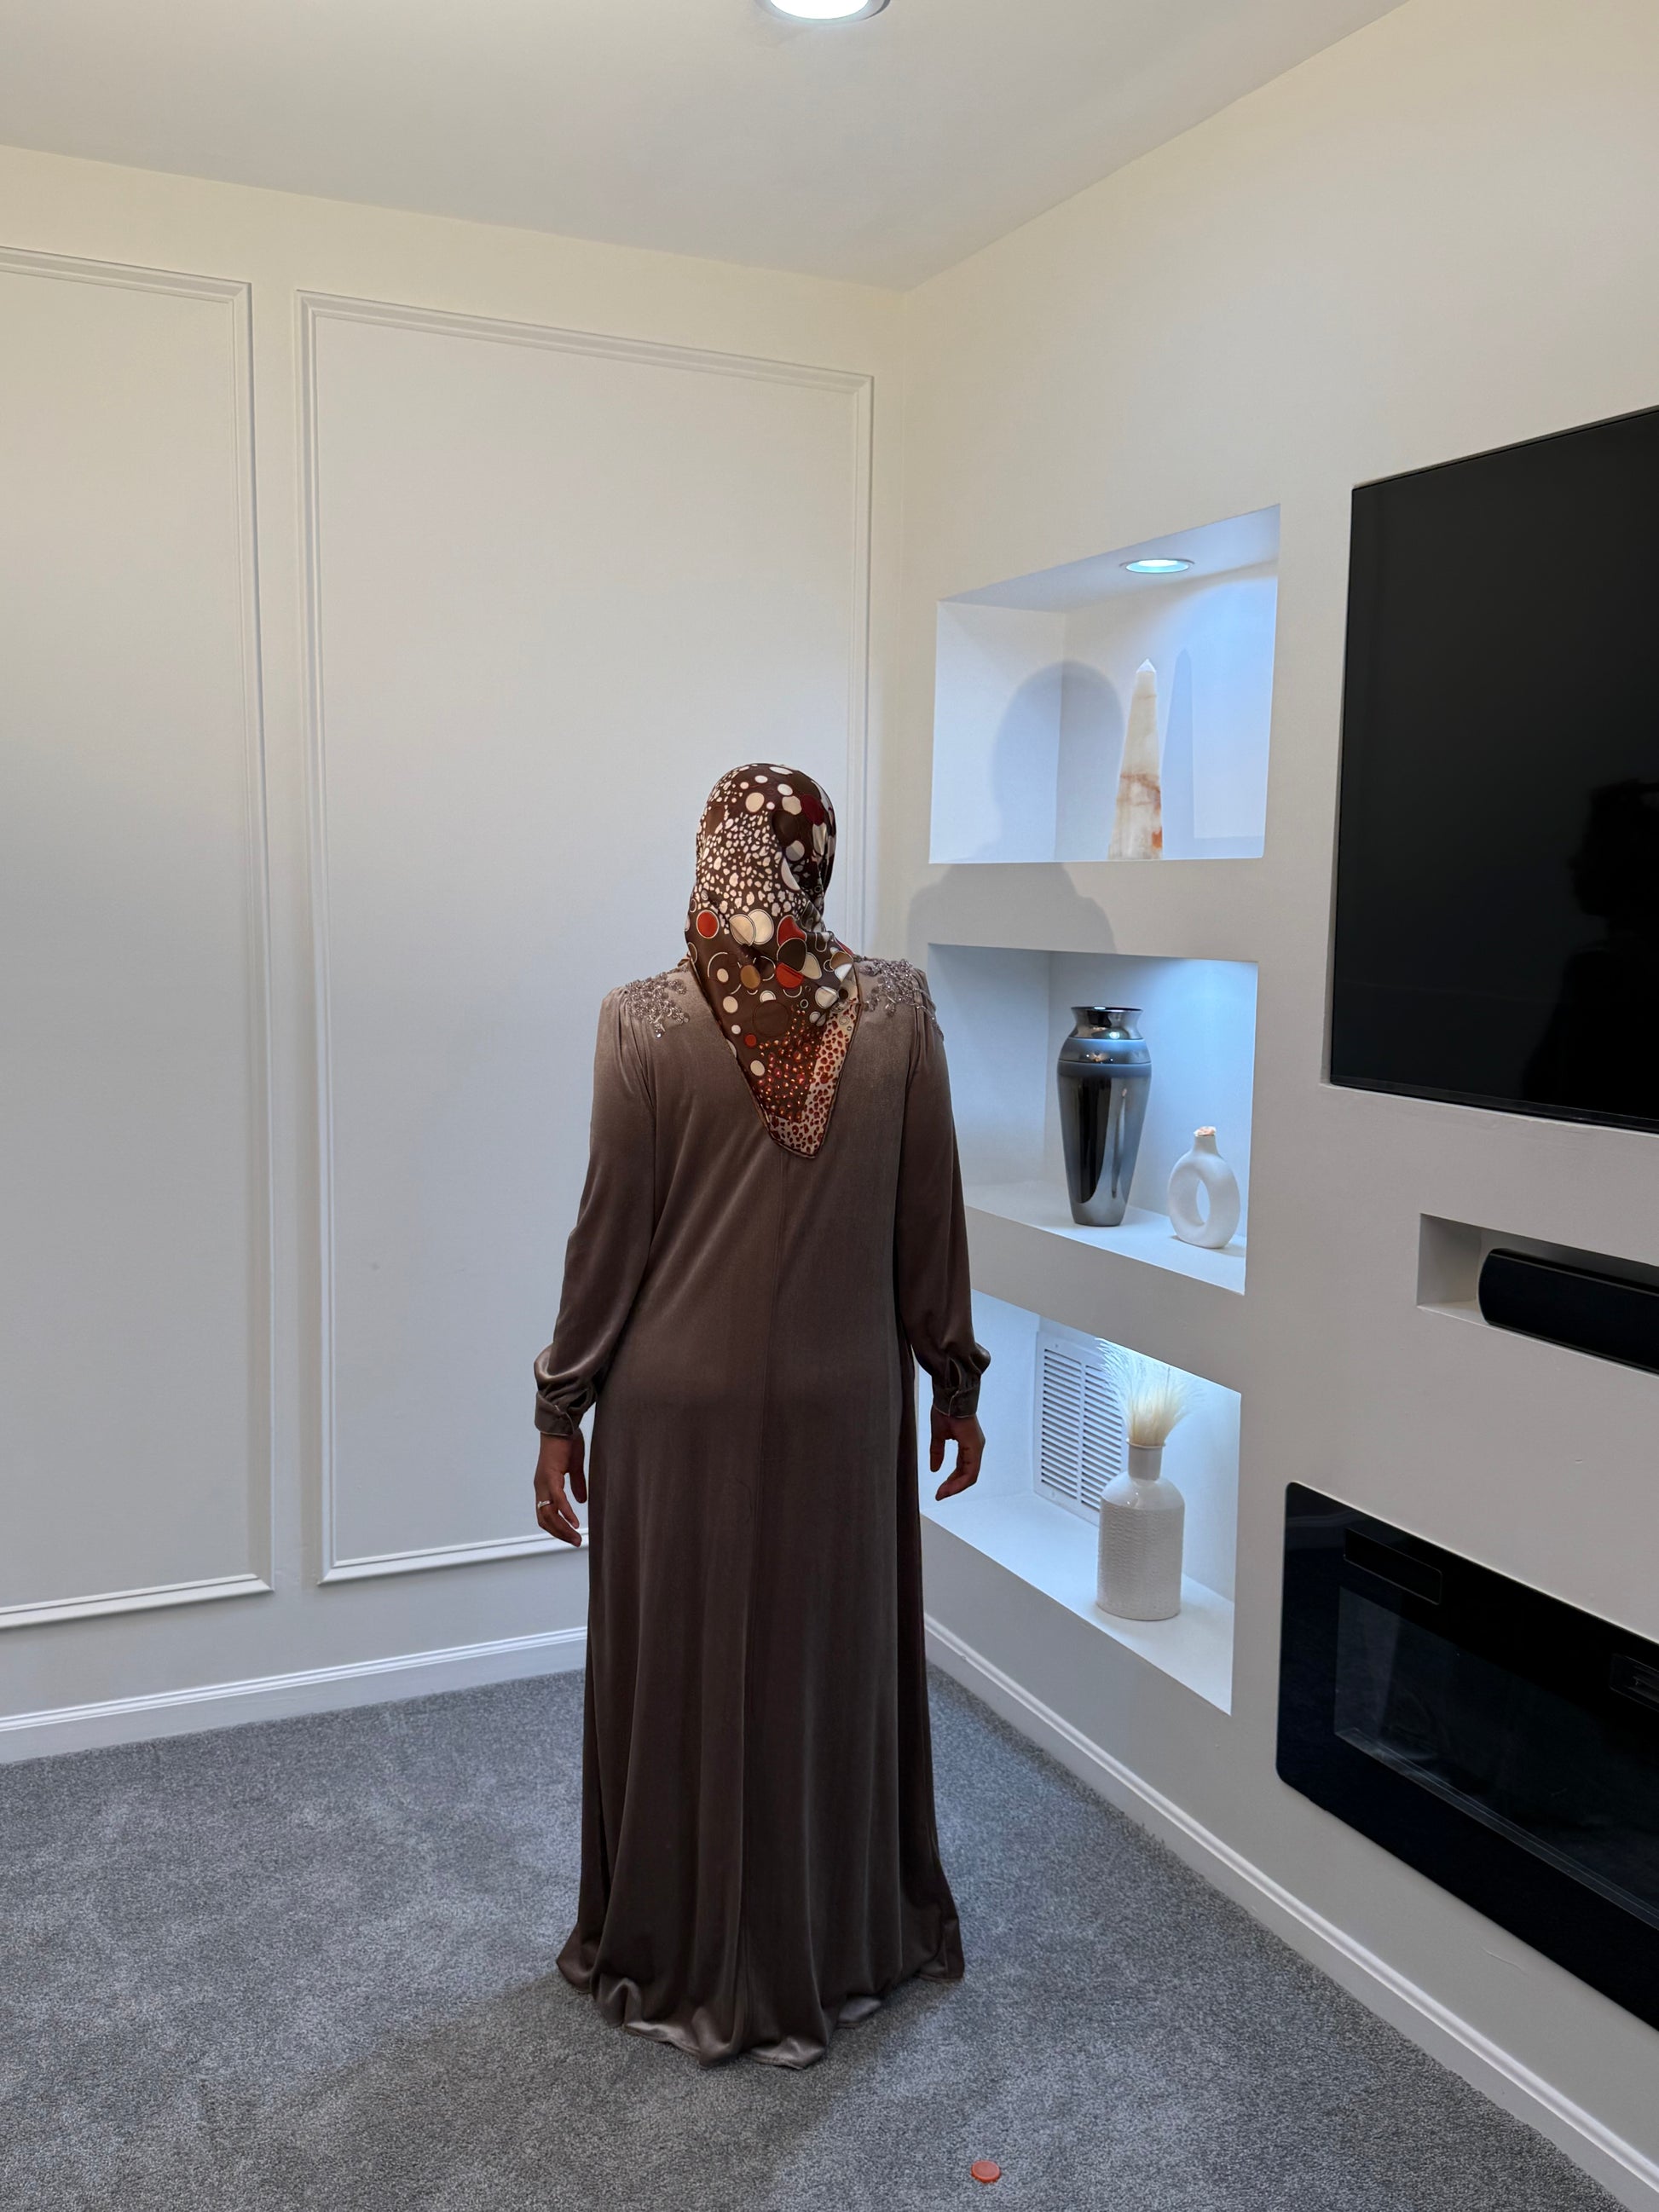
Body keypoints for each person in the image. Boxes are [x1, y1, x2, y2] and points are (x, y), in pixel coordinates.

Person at [531, 762, 988, 2067]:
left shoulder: (640, 1021)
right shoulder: (898, 1010)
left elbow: (608, 1240)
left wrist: (561, 1406)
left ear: (709, 853)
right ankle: (832, 1944)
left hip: (672, 1414)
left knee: (679, 1677)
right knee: (822, 1671)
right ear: (816, 858)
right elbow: (929, 1220)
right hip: (841, 1410)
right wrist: (953, 1378)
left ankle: (672, 1943)